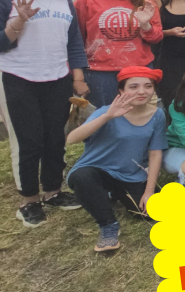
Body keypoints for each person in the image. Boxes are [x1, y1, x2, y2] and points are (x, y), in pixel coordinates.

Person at [0, 0, 89, 227]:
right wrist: (19, 20)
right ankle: (29, 200)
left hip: (57, 78)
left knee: (55, 137)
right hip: (17, 78)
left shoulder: (64, 3)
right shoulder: (4, 1)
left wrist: (78, 78)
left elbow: (74, 44)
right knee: (27, 141)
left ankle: (53, 191)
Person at [66, 67, 167, 251]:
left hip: (131, 174)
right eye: (134, 86)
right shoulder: (106, 111)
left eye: (148, 86)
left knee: (147, 214)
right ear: (121, 90)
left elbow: (155, 153)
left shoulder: (157, 115)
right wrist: (107, 116)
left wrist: (149, 191)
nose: (142, 91)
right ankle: (108, 226)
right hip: (98, 170)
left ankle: (112, 194)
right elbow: (72, 139)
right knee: (81, 177)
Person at [75, 0, 162, 107]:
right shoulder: (86, 0)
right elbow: (76, 40)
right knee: (103, 119)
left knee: (138, 118)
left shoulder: (145, 3)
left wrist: (145, 24)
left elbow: (156, 38)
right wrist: (77, 77)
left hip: (138, 70)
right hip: (99, 72)